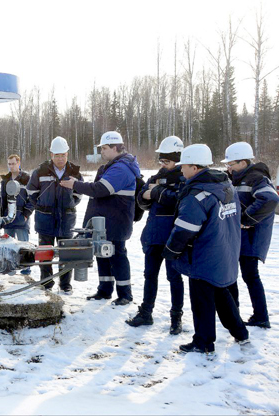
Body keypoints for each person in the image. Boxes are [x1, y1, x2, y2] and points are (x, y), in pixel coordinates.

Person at [163, 144, 248, 354]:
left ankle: (203, 342)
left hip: (203, 255)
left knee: (202, 301)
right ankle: (240, 332)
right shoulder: (225, 186)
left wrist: (171, 251)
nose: (181, 170)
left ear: (194, 167)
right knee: (221, 292)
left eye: (184, 166)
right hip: (224, 250)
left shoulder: (197, 195)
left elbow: (185, 228)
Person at [62, 131, 140, 305]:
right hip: (105, 221)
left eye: (104, 148)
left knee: (117, 255)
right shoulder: (110, 167)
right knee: (102, 254)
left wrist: (75, 184)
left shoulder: (121, 169)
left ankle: (125, 294)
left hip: (116, 221)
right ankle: (105, 290)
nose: (101, 151)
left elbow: (101, 189)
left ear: (115, 147)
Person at [126, 136, 185, 334]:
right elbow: (142, 198)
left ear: (178, 159)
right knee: (150, 275)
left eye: (166, 161)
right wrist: (150, 194)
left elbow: (180, 199)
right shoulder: (156, 176)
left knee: (174, 277)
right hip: (153, 235)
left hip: (173, 237)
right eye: (161, 160)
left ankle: (176, 317)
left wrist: (157, 192)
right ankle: (146, 312)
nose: (162, 164)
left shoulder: (184, 178)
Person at [222, 141, 278, 329]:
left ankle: (260, 317)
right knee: (235, 276)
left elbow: (270, 199)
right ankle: (238, 315)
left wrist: (246, 219)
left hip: (251, 238)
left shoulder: (257, 178)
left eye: (231, 164)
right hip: (239, 237)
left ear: (243, 162)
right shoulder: (237, 178)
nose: (229, 168)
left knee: (250, 276)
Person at [27, 137, 83, 292]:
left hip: (66, 220)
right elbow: (31, 192)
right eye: (57, 155)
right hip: (45, 219)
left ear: (67, 154)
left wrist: (69, 205)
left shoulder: (74, 172)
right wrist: (41, 206)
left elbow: (79, 193)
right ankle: (46, 283)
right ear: (51, 155)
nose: (60, 158)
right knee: (45, 253)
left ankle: (65, 285)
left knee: (66, 254)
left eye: (63, 155)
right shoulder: (40, 171)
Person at [0, 154, 34, 275]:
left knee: (23, 245)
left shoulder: (26, 178)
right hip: (7, 217)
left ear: (19, 163)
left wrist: (26, 214)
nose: (11, 166)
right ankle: (10, 269)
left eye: (13, 163)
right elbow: (2, 199)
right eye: (9, 164)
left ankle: (26, 269)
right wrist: (1, 216)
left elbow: (32, 198)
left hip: (21, 217)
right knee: (8, 245)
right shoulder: (5, 180)